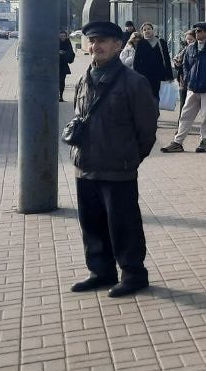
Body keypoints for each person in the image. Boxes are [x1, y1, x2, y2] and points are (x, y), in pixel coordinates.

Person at [68, 21, 159, 298]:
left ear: (118, 45)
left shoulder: (134, 82)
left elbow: (147, 129)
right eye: (93, 41)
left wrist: (130, 157)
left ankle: (133, 274)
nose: (96, 46)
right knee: (92, 224)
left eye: (103, 41)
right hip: (86, 166)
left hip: (118, 169)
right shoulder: (84, 79)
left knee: (124, 225)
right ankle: (101, 271)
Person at [160, 22, 206, 153]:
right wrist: (188, 78)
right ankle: (177, 142)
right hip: (192, 88)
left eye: (199, 30)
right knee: (185, 115)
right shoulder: (190, 48)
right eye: (195, 31)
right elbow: (185, 65)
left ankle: (204, 142)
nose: (196, 33)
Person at [129, 22, 172, 101]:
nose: (147, 31)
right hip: (145, 76)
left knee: (158, 98)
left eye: (148, 29)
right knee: (146, 98)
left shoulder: (161, 42)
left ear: (152, 30)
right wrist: (136, 76)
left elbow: (166, 59)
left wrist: (169, 75)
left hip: (159, 75)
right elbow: (136, 62)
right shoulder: (141, 43)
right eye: (144, 30)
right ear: (142, 32)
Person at [173, 30, 195, 114]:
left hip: (194, 79)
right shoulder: (183, 49)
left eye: (191, 39)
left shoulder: (197, 49)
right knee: (183, 102)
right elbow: (177, 65)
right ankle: (181, 120)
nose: (189, 41)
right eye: (187, 39)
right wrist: (177, 64)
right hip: (183, 79)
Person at [58, 30, 75, 101]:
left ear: (66, 36)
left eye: (64, 36)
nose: (62, 37)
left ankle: (61, 96)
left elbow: (71, 53)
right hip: (55, 65)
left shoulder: (67, 42)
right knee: (55, 81)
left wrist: (64, 53)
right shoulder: (56, 42)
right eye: (61, 36)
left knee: (62, 81)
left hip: (63, 65)